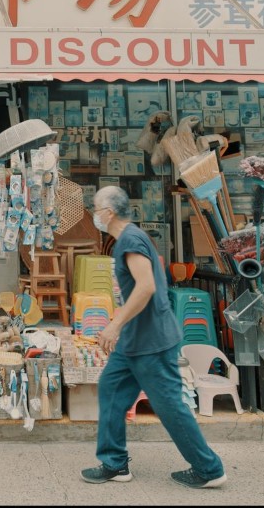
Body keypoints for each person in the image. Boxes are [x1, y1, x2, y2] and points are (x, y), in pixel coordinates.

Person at [80, 185, 227, 489]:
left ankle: (209, 469)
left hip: (151, 341)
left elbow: (145, 287)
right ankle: (114, 463)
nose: (94, 214)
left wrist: (114, 324)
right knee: (110, 388)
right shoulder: (126, 239)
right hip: (135, 341)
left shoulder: (130, 240)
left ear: (108, 213)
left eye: (96, 208)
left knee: (170, 405)